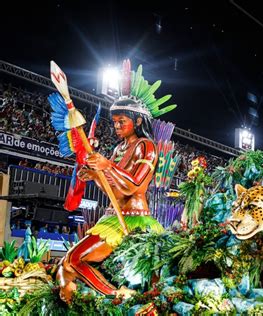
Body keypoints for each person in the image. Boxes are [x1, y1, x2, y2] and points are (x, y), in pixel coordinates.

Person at [56, 60, 175, 303]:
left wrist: (106, 166)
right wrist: (94, 176)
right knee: (68, 263)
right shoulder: (119, 148)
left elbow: (132, 186)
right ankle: (90, 296)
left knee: (76, 259)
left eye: (122, 121)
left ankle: (115, 295)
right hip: (111, 216)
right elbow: (112, 189)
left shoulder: (147, 146)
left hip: (133, 218)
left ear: (138, 121)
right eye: (115, 122)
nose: (117, 127)